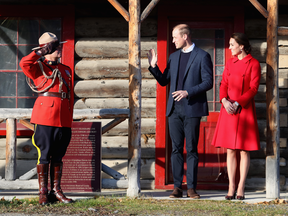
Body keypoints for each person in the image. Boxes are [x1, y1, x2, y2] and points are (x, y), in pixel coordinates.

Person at [147, 24, 213, 198]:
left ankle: (191, 188)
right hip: (174, 111)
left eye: (175, 37)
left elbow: (208, 82)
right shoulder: (173, 57)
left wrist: (187, 92)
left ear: (185, 36)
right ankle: (177, 187)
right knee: (176, 149)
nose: (173, 40)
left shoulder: (202, 56)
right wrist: (154, 67)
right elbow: (163, 81)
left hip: (192, 109)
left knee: (191, 149)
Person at [20, 32, 74, 205]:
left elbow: (69, 96)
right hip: (45, 117)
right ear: (46, 48)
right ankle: (43, 192)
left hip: (63, 117)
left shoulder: (65, 69)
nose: (59, 49)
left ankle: (56, 191)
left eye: (58, 46)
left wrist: (69, 118)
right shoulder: (37, 67)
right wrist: (40, 53)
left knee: (58, 155)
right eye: (55, 46)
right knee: (44, 155)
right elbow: (24, 62)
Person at [211, 33, 261, 200]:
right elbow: (223, 83)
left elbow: (253, 88)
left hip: (244, 109)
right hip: (228, 110)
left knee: (244, 150)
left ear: (242, 46)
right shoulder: (229, 63)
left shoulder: (253, 63)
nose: (229, 47)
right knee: (230, 149)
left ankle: (241, 187)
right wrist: (224, 101)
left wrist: (238, 103)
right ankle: (231, 186)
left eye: (232, 44)